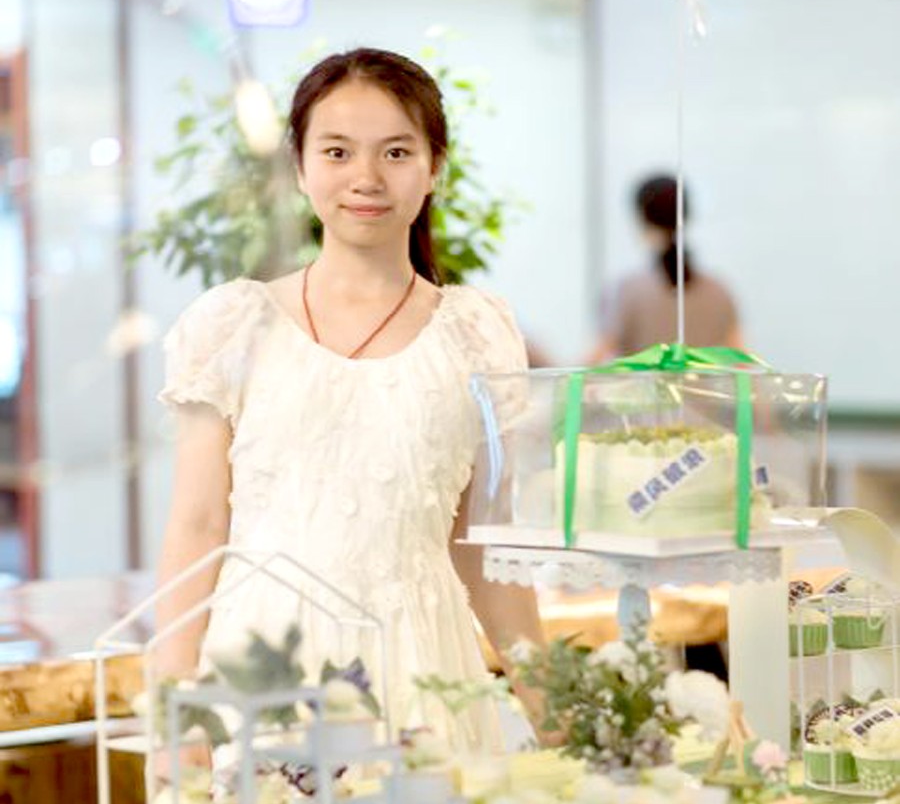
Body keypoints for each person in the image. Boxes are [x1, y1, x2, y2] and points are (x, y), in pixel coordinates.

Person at [154, 47, 548, 755]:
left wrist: (557, 709)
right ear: (300, 165)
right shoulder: (233, 325)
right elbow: (197, 525)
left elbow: (482, 546)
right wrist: (171, 709)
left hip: (422, 665)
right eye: (337, 151)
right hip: (263, 668)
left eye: (396, 152)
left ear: (435, 166)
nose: (366, 178)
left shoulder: (477, 334)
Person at [587, 173, 744, 363]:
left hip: (642, 385)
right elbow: (741, 359)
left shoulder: (624, 290)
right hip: (706, 384)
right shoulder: (719, 291)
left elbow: (597, 357)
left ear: (642, 219)